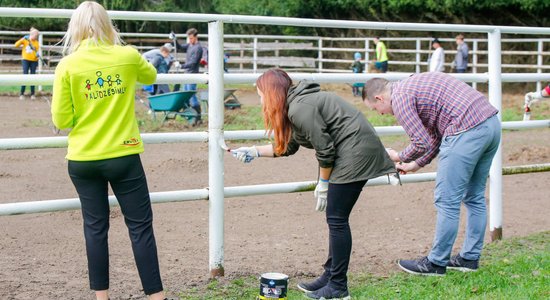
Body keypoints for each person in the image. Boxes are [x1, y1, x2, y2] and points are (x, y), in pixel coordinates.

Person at [231, 68, 396, 299]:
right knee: (335, 217)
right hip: (350, 150)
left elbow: (325, 150)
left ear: (272, 93)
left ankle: (338, 287)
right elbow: (288, 147)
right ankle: (330, 276)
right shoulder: (294, 105)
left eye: (261, 95)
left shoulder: (300, 107)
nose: (260, 100)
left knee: (337, 219)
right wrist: (254, 151)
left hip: (355, 152)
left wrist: (323, 183)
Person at [50, 2, 166, 299]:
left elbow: (61, 120)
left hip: (83, 157)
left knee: (95, 228)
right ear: (107, 24)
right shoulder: (127, 56)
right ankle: (157, 296)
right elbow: (151, 76)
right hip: (123, 155)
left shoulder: (68, 65)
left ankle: (102, 298)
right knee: (140, 227)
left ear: (74, 28)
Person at [362, 72, 500, 276]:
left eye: (376, 109)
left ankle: (435, 263)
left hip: (465, 130)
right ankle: (469, 258)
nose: (380, 114)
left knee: (447, 200)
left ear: (379, 98)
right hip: (490, 124)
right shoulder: (413, 86)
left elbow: (421, 142)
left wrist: (399, 156)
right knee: (474, 197)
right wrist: (416, 164)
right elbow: (435, 135)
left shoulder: (399, 99)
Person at [170, 28, 203, 122]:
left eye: (191, 38)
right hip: (187, 74)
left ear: (196, 37)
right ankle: (190, 116)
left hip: (192, 74)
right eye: (189, 38)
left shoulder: (198, 48)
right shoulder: (190, 45)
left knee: (191, 95)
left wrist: (181, 65)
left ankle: (198, 117)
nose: (190, 40)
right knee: (186, 95)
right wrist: (174, 40)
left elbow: (193, 62)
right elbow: (180, 47)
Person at [14, 27, 40, 100]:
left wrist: (37, 56)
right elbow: (16, 45)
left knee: (33, 77)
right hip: (25, 60)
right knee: (25, 75)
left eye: (37, 36)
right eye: (35, 35)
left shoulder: (37, 43)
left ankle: (32, 94)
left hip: (34, 61)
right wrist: (22, 39)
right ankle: (22, 93)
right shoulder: (25, 41)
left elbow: (36, 52)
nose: (36, 37)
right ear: (32, 34)